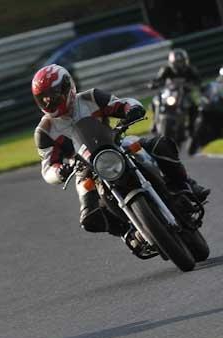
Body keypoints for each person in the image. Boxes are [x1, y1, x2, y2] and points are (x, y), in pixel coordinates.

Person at [31, 64, 210, 257]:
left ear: (67, 87)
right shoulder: (45, 130)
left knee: (161, 145)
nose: (49, 102)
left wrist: (132, 109)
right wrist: (60, 171)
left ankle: (184, 185)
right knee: (89, 217)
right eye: (43, 99)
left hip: (116, 144)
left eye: (52, 95)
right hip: (84, 169)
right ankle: (128, 232)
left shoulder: (91, 97)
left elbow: (122, 103)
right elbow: (47, 167)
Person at [149, 48, 202, 135]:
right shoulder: (166, 69)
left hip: (185, 94)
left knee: (194, 106)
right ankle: (155, 123)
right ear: (172, 62)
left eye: (181, 61)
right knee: (155, 101)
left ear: (185, 61)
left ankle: (191, 127)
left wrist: (193, 85)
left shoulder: (190, 69)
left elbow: (198, 81)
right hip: (169, 92)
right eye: (178, 62)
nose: (180, 64)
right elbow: (157, 79)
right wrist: (153, 84)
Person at [189, 66, 223, 155]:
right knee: (197, 114)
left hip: (220, 112)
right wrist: (202, 94)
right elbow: (203, 90)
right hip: (211, 108)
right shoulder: (213, 85)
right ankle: (195, 138)